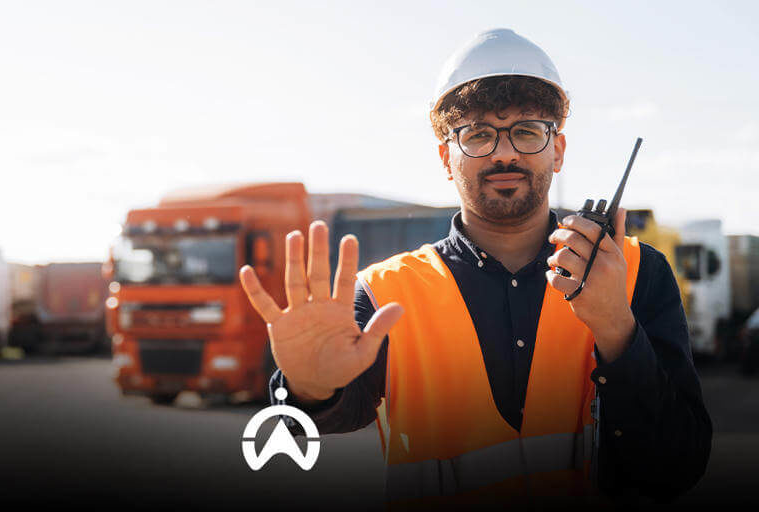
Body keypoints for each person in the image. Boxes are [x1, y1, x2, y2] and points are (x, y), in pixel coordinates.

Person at [239, 28, 711, 504]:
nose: (504, 152)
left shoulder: (634, 271)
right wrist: (308, 388)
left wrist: (615, 327)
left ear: (558, 150)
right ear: (447, 157)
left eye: (527, 131)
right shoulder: (386, 292)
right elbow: (313, 419)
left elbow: (678, 464)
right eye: (479, 134)